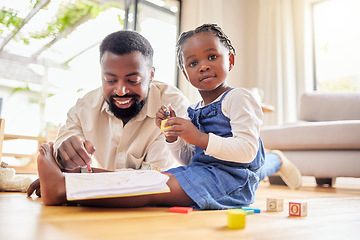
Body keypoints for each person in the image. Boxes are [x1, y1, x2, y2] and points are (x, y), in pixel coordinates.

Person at [32, 24, 301, 209]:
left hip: (227, 180)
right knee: (155, 182)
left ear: (229, 60)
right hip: (206, 171)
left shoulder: (238, 98)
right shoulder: (195, 108)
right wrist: (173, 137)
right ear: (185, 72)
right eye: (193, 62)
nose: (203, 65)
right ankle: (68, 183)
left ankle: (63, 192)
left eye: (211, 56)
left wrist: (196, 136)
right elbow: (191, 158)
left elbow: (247, 152)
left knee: (153, 187)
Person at [26, 30, 189, 196]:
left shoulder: (173, 108)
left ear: (151, 75)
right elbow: (58, 156)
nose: (120, 91)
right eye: (110, 80)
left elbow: (153, 180)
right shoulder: (85, 108)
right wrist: (63, 157)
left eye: (133, 81)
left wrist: (72, 180)